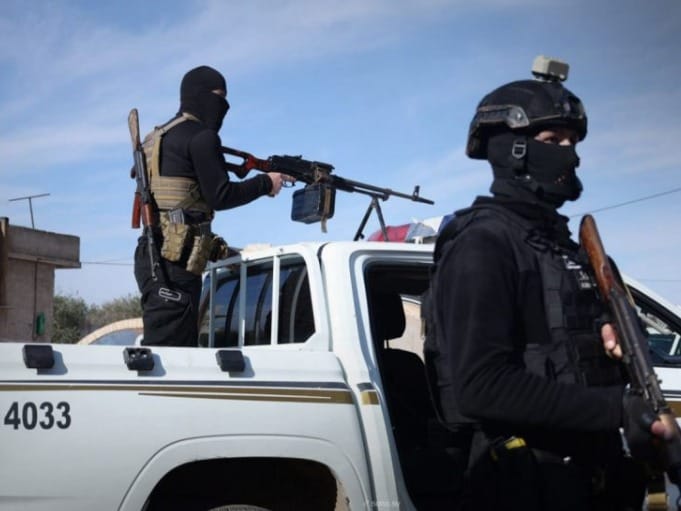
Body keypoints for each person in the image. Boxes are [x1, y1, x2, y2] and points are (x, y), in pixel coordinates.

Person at [425, 65, 670, 510]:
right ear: (513, 150)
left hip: (592, 474)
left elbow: (563, 347)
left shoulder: (565, 250)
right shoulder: (484, 244)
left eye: (573, 143)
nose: (569, 156)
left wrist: (613, 341)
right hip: (525, 480)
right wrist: (617, 408)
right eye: (553, 141)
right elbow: (482, 386)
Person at [134, 65, 292, 347]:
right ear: (199, 95)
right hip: (175, 262)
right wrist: (266, 183)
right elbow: (221, 195)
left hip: (152, 256)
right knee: (171, 357)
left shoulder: (156, 138)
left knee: (164, 348)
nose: (223, 107)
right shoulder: (202, 137)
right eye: (219, 98)